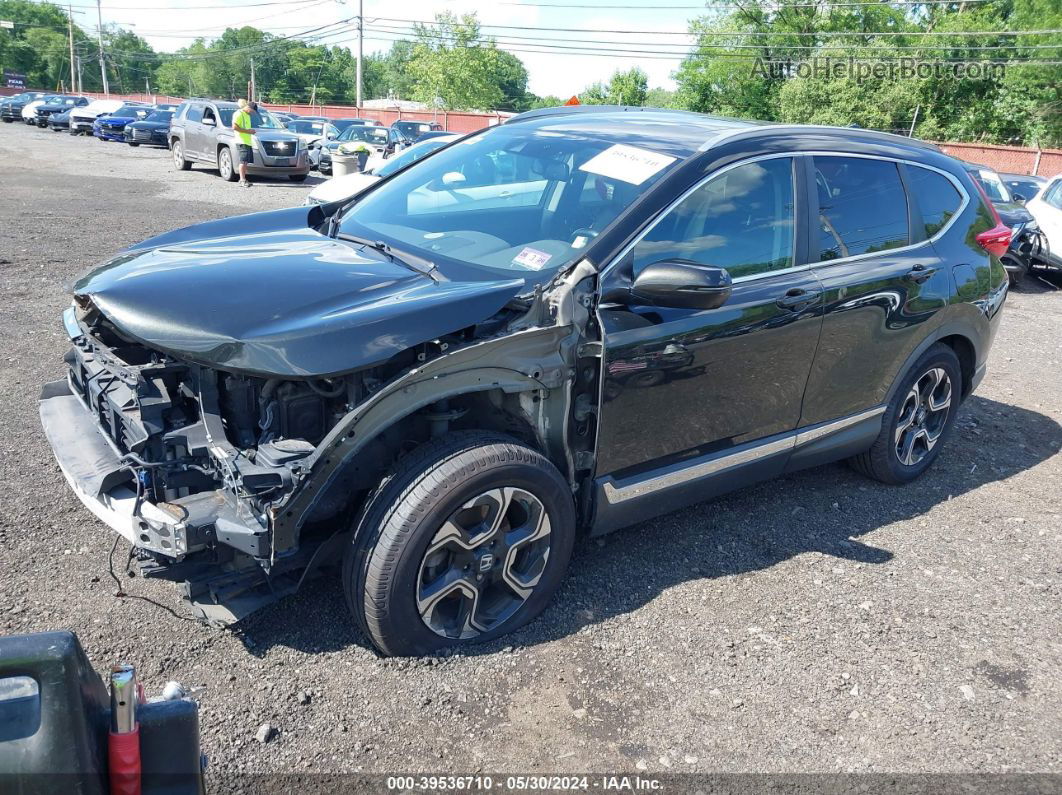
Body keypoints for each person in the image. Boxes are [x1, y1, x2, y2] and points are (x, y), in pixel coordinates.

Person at [232, 98, 255, 187]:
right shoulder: (239, 114)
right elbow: (234, 127)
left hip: (247, 142)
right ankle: (242, 180)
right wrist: (248, 131)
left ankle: (244, 179)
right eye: (252, 110)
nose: (253, 113)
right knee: (243, 161)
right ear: (248, 107)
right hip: (241, 141)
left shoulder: (247, 115)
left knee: (245, 162)